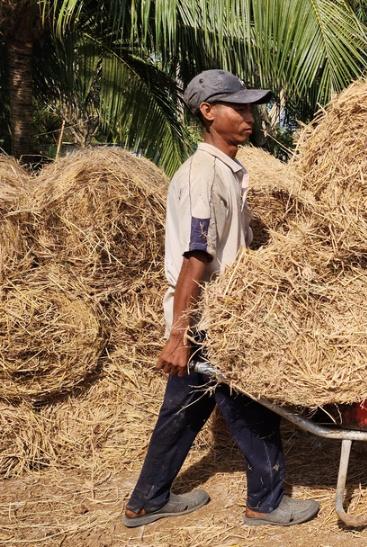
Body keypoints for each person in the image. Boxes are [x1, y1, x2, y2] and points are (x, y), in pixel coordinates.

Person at [122, 69, 319, 528]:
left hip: (214, 313)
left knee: (184, 410)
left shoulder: (228, 171)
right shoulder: (204, 175)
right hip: (207, 315)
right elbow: (196, 256)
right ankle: (265, 504)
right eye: (239, 107)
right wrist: (179, 332)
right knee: (250, 405)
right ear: (208, 112)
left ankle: (147, 500)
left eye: (251, 107)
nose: (250, 117)